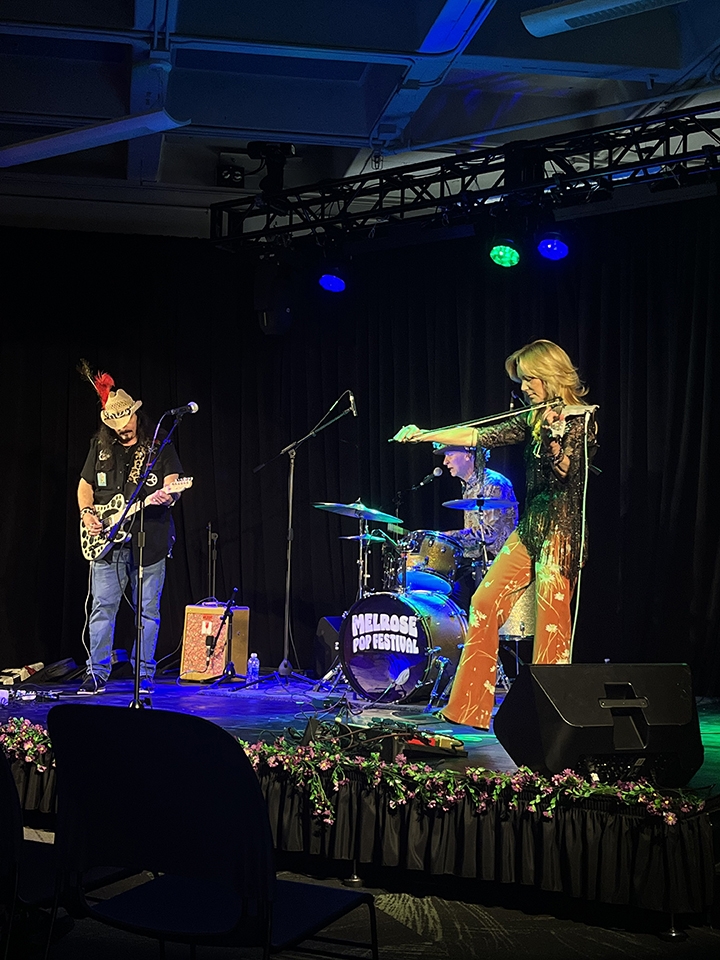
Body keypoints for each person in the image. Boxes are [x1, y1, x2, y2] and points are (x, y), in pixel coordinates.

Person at [393, 340, 598, 729]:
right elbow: (479, 435)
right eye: (523, 381)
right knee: (484, 601)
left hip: (562, 530)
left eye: (530, 379)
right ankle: (468, 709)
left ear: (550, 375)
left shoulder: (581, 419)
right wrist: (426, 434)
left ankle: (548, 720)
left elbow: (567, 472)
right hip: (532, 525)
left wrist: (554, 438)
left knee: (551, 622)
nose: (524, 388)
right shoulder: (532, 418)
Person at [77, 367, 183, 695]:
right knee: (102, 608)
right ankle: (96, 673)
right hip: (106, 541)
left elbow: (173, 483)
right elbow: (85, 485)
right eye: (116, 426)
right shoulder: (100, 446)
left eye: (126, 422)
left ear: (136, 415)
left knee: (147, 611)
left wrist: (168, 495)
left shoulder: (158, 447)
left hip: (149, 540)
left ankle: (144, 674)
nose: (123, 430)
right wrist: (87, 513)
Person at [435, 442, 518, 612]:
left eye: (450, 455)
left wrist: (451, 536)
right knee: (446, 605)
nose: (445, 462)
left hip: (497, 565)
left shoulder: (493, 483)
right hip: (475, 564)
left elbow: (490, 533)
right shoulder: (468, 486)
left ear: (468, 454)